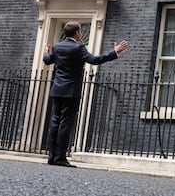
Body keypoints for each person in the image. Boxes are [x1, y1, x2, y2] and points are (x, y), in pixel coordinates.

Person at [43, 21, 128, 167]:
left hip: (57, 89)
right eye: (80, 31)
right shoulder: (78, 47)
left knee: (55, 121)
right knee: (65, 123)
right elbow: (94, 60)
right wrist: (115, 52)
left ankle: (52, 156)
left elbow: (47, 60)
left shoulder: (57, 46)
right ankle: (60, 157)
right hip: (71, 91)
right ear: (77, 33)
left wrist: (46, 51)